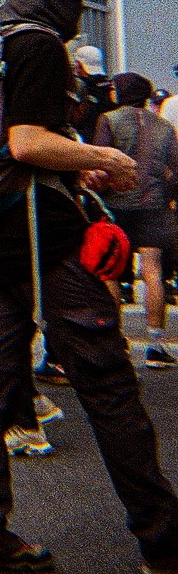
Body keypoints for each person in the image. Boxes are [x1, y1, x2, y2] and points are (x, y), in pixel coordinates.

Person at [0, 0, 178, 574]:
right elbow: (24, 140)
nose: (79, 5)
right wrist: (107, 156)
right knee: (107, 383)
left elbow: (13, 143)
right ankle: (164, 536)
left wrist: (77, 159)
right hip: (46, 241)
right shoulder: (42, 46)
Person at [94, 72, 178, 367]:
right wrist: (164, 193)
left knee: (111, 272)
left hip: (116, 205)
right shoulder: (164, 126)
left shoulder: (108, 120)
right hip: (153, 205)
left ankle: (114, 342)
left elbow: (101, 161)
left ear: (120, 92)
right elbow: (176, 169)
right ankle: (156, 344)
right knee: (153, 271)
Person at [72, 45, 115, 142]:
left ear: (79, 64)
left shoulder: (80, 87)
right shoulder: (111, 87)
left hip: (85, 141)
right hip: (109, 141)